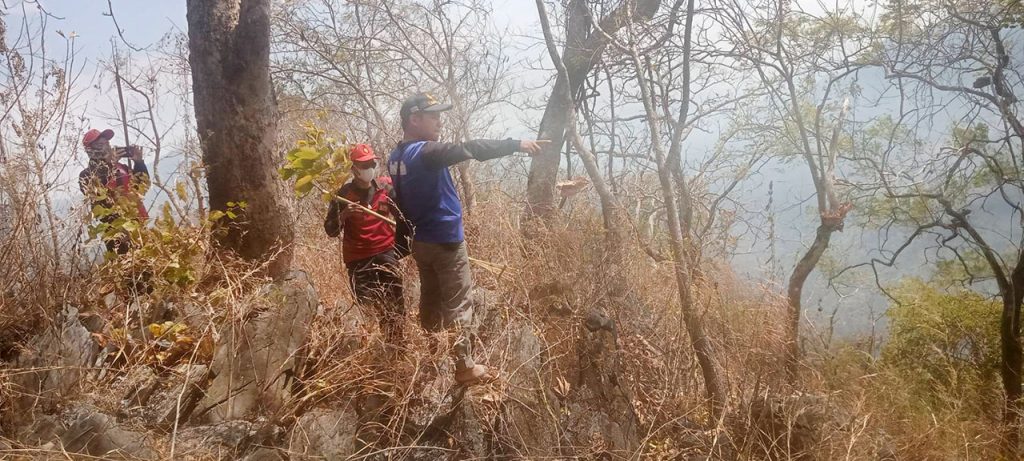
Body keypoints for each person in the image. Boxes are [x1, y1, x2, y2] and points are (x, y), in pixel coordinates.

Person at [388, 92, 547, 384]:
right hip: (445, 241)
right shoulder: (426, 152)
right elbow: (470, 148)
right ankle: (464, 367)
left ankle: (433, 354)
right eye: (433, 116)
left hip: (420, 241)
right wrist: (515, 145)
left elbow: (397, 202)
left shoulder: (396, 157)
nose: (439, 121)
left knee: (430, 299)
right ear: (414, 119)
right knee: (459, 304)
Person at [325, 144, 404, 342]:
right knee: (367, 308)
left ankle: (396, 345)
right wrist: (344, 215)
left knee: (395, 304)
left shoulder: (386, 189)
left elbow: (404, 219)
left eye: (372, 164)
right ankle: (370, 346)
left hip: (386, 254)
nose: (370, 168)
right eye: (364, 165)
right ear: (354, 168)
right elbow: (331, 231)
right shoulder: (342, 195)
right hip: (358, 259)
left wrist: (402, 249)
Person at [78, 128, 149, 256]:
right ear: (90, 149)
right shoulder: (86, 175)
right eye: (101, 144)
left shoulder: (122, 168)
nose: (107, 147)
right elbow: (99, 196)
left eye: (107, 143)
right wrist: (109, 165)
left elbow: (142, 187)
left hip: (139, 226)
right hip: (116, 232)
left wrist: (139, 163)